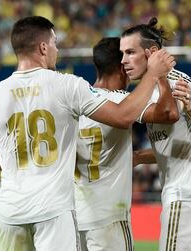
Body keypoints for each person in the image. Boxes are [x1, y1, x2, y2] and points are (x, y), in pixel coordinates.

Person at [0, 16, 175, 251]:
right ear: (43, 47)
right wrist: (154, 75)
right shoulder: (67, 86)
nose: (57, 49)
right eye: (54, 43)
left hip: (10, 211)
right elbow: (129, 116)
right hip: (56, 211)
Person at [127, 18, 191, 251]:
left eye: (130, 52)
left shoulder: (155, 91)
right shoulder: (187, 82)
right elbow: (177, 142)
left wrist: (190, 108)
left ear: (152, 53)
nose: (124, 60)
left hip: (186, 198)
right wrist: (139, 157)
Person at [75, 37, 179, 251]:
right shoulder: (122, 101)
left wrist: (139, 156)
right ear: (122, 67)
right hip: (109, 216)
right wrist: (158, 75)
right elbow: (169, 112)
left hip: (74, 217)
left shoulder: (77, 101)